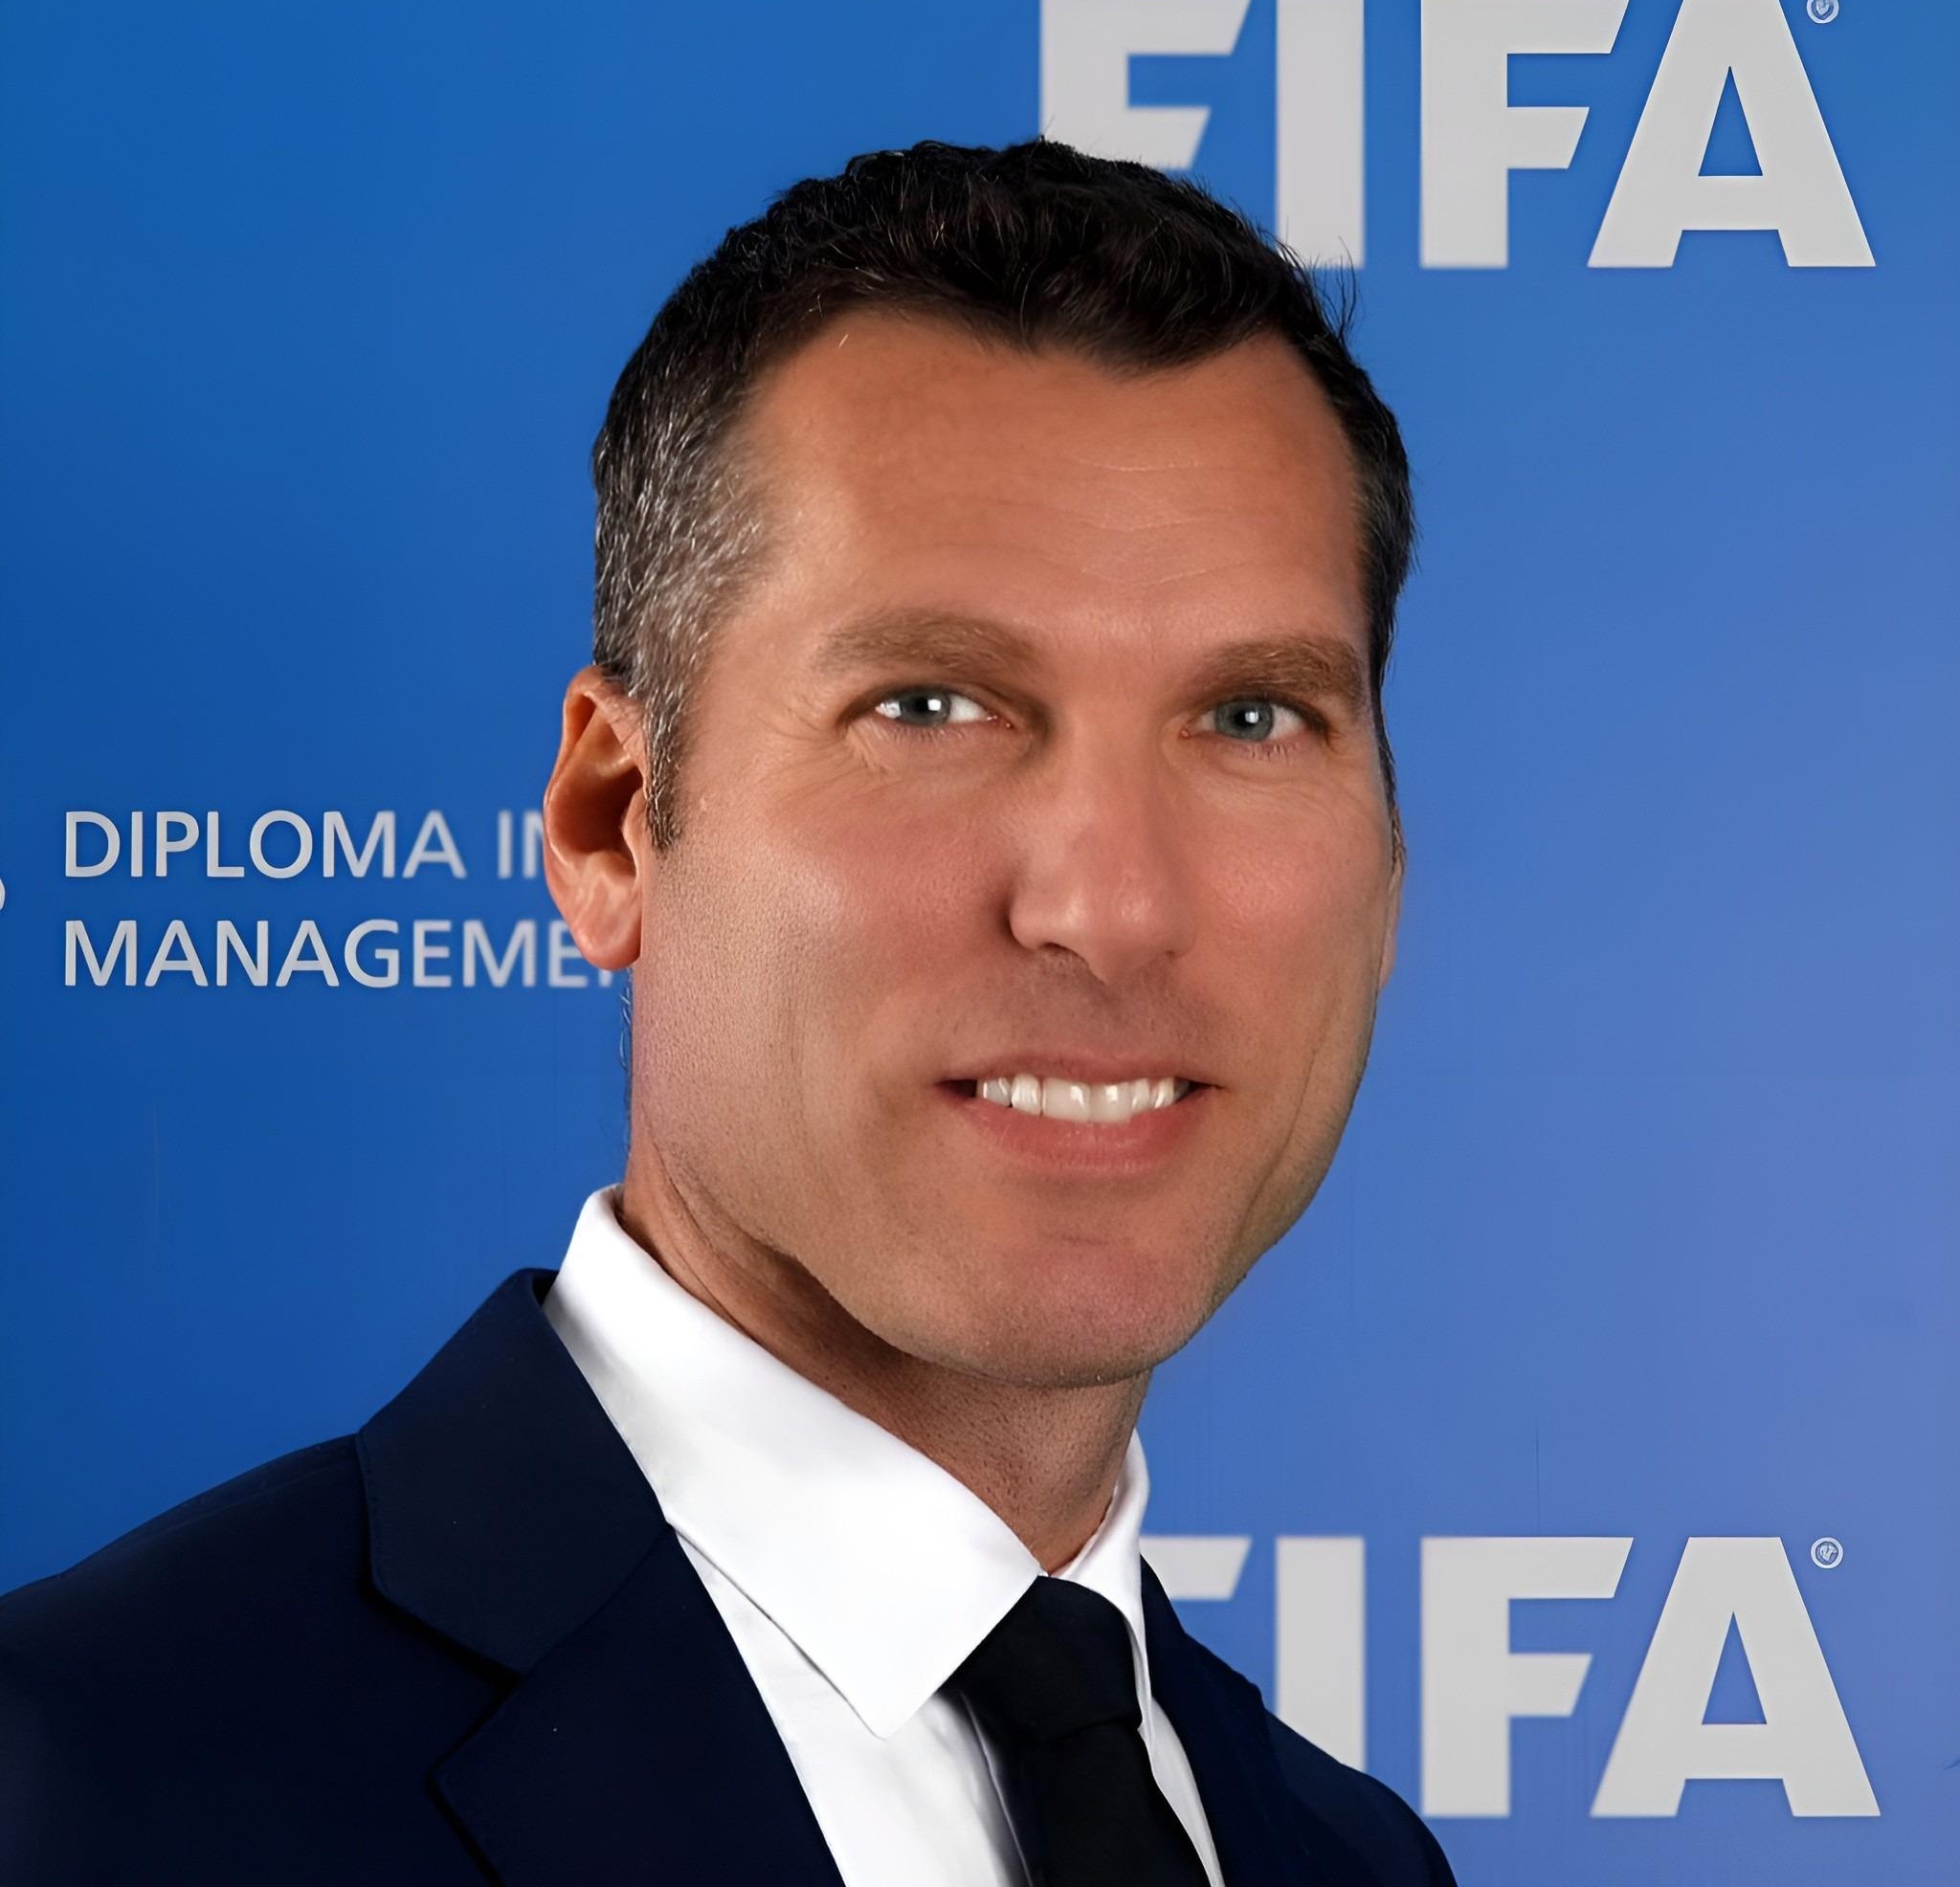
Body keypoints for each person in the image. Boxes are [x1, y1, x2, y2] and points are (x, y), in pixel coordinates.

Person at [0, 139, 1455, 1885]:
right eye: (930, 706)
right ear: (613, 824)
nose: (1111, 906)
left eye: (1252, 719)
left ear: (1388, 866)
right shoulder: (77, 1787)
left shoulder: (1350, 1859)